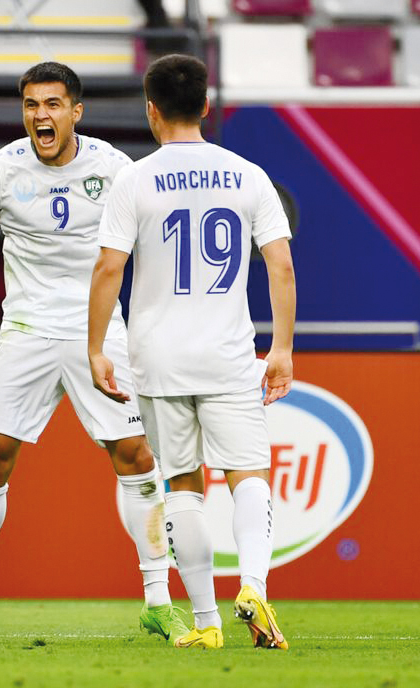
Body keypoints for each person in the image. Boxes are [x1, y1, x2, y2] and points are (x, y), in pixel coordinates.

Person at [0, 61, 187, 646]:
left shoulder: (114, 168)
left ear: (75, 112)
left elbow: (153, 248)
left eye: (53, 104)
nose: (41, 115)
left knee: (135, 455)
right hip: (26, 332)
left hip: (98, 335)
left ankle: (158, 599)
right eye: (32, 104)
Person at [88, 54, 297, 650]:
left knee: (182, 485)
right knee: (248, 475)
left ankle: (205, 623)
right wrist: (280, 347)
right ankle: (253, 585)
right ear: (206, 106)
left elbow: (108, 268)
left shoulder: (134, 178)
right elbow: (279, 263)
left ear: (150, 110)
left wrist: (96, 347)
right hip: (228, 355)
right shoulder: (248, 174)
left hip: (157, 357)